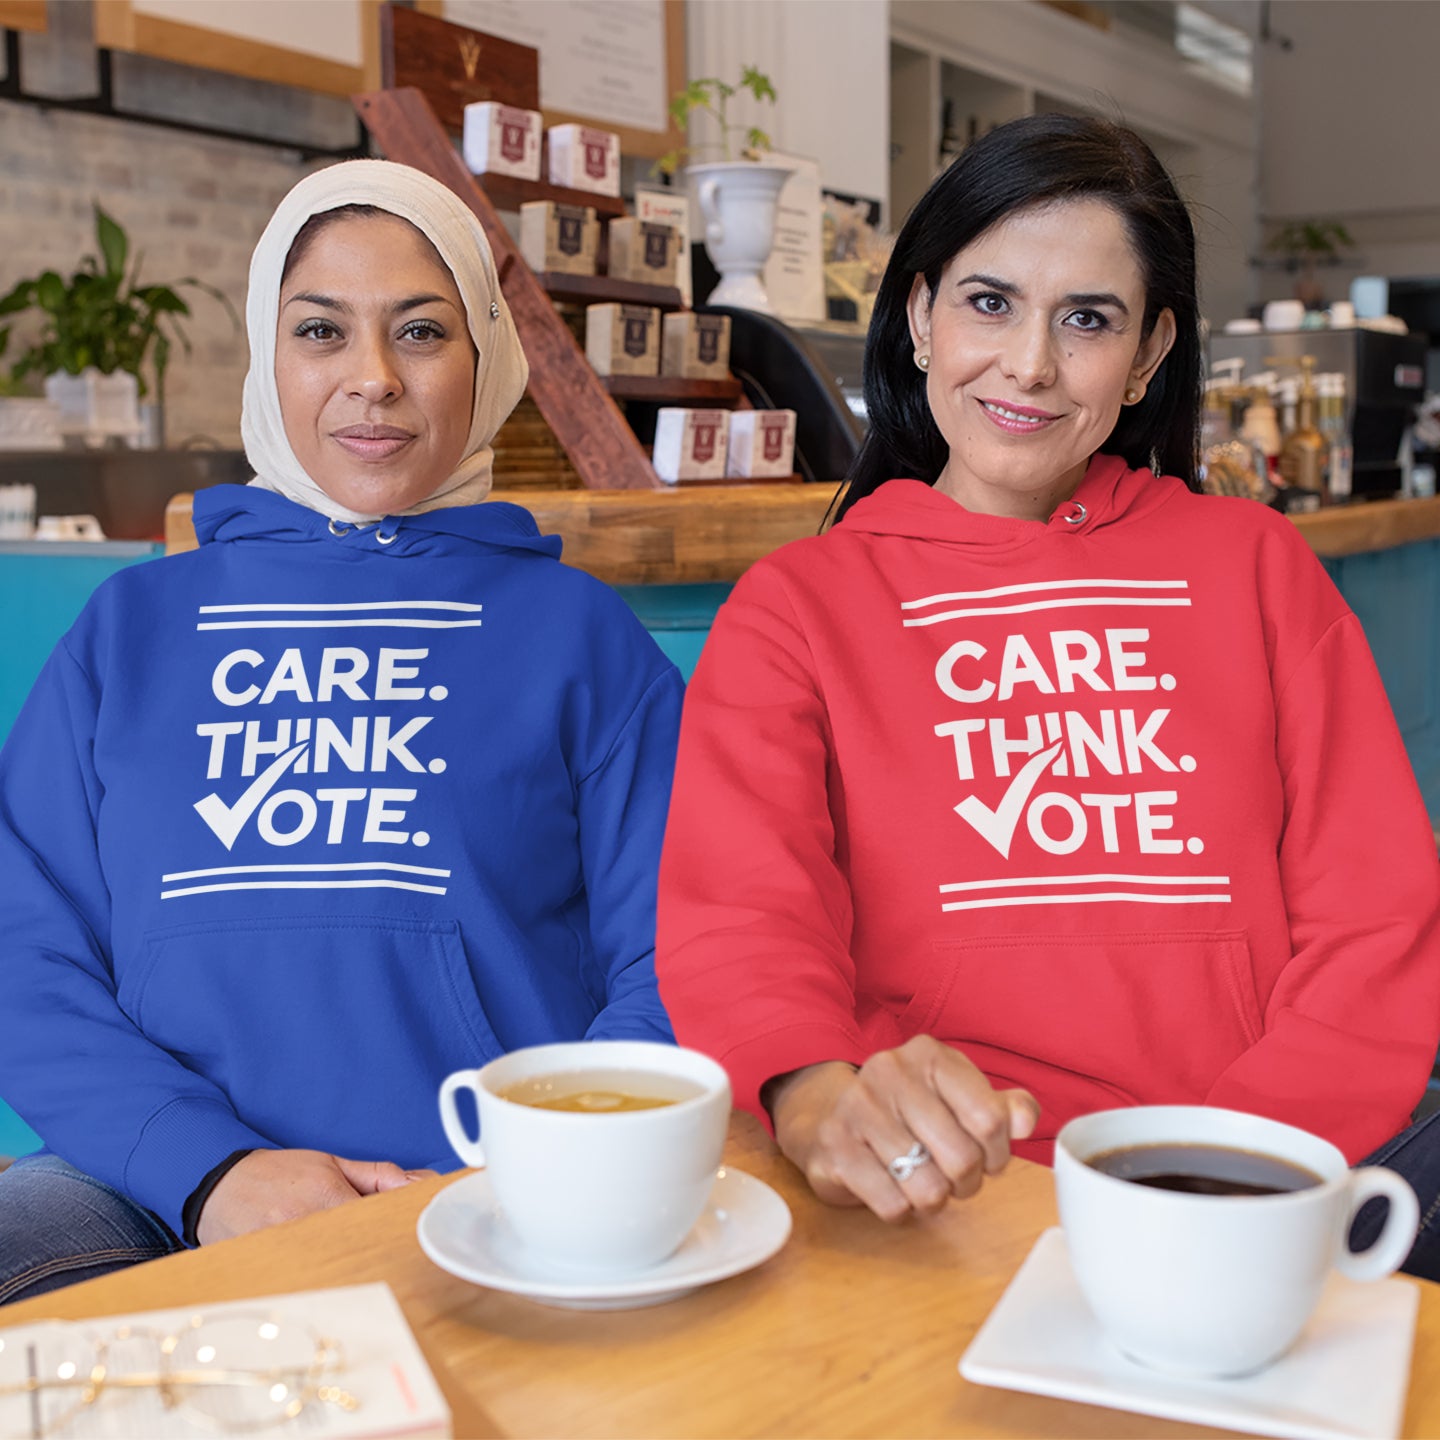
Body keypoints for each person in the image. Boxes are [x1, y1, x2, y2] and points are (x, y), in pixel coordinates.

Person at [656, 114, 1440, 1277]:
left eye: (1087, 319)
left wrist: (1234, 1164)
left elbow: (1374, 910)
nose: (1028, 363)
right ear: (919, 316)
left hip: (1256, 1177)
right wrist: (818, 1093)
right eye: (988, 302)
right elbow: (744, 911)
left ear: (1150, 350)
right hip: (941, 1190)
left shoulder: (1255, 566)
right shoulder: (802, 603)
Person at [0, 160, 684, 1302]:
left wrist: (537, 1162)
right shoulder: (131, 631)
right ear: (272, 360)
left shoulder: (579, 637)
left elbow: (676, 951)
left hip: (482, 1187)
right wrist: (210, 1170)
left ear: (487, 363)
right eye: (322, 331)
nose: (373, 380)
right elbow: (26, 953)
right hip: (151, 1187)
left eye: (420, 332)